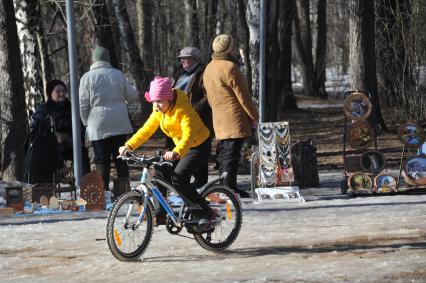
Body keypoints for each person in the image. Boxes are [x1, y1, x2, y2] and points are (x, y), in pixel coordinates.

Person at [118, 76, 217, 230]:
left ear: (169, 99)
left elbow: (188, 134)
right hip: (181, 147)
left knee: (179, 178)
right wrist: (129, 146)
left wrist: (177, 151)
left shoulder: (182, 108)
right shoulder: (159, 110)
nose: (156, 105)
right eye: (154, 101)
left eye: (159, 101)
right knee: (159, 172)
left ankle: (206, 213)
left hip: (198, 145)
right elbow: (147, 129)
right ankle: (160, 214)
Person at [203, 34, 259, 198]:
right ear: (229, 49)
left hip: (218, 116)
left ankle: (228, 187)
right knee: (230, 154)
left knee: (225, 153)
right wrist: (254, 115)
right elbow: (243, 96)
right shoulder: (230, 68)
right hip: (234, 117)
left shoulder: (209, 67)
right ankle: (227, 189)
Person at [79, 46, 139, 191]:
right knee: (121, 157)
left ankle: (102, 192)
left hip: (98, 124)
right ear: (108, 59)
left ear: (93, 60)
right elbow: (132, 96)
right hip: (119, 123)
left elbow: (83, 104)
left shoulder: (87, 77)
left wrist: (86, 122)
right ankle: (124, 191)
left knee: (101, 159)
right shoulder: (117, 74)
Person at [26, 79, 90, 183]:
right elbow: (38, 127)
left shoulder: (72, 107)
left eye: (63, 91)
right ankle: (51, 182)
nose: (61, 93)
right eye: (58, 91)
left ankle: (84, 183)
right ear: (50, 94)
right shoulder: (43, 108)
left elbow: (81, 126)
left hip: (70, 143)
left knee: (81, 151)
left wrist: (72, 137)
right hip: (50, 145)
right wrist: (53, 136)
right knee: (48, 153)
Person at [172, 46, 213, 189]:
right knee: (184, 150)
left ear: (196, 60)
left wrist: (192, 110)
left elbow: (209, 97)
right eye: (181, 58)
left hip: (198, 119)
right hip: (178, 120)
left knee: (198, 149)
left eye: (186, 58)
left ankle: (200, 186)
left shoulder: (203, 73)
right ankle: (190, 185)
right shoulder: (179, 74)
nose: (183, 61)